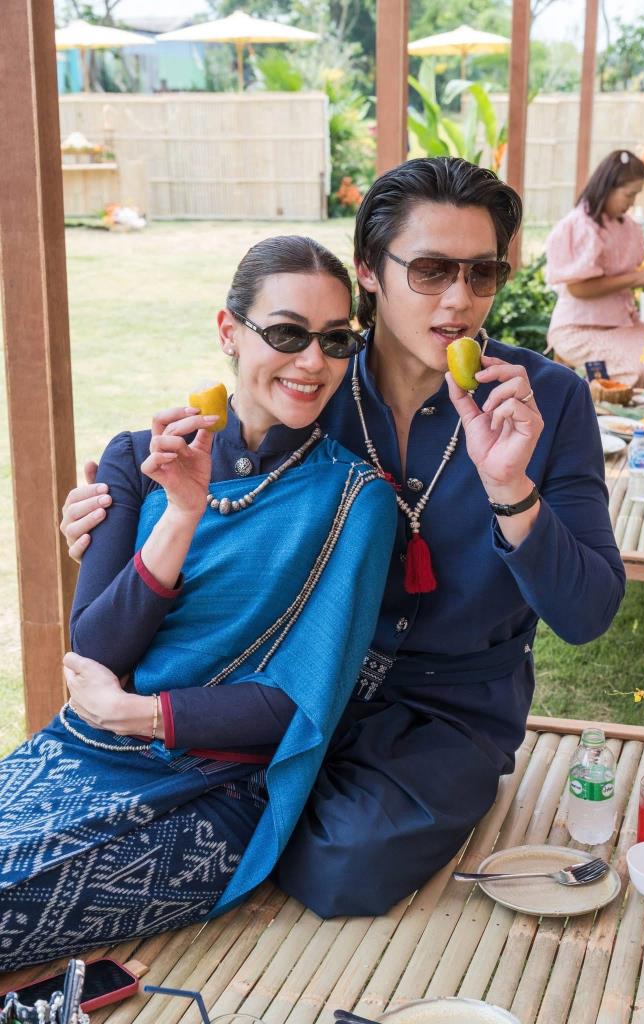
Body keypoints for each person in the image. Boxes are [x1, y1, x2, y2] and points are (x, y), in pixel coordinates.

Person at [61, 157, 626, 920]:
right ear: (368, 269)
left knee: (342, 864)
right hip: (284, 686)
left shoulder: (544, 401)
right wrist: (118, 519)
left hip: (448, 710)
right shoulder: (314, 381)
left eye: (482, 272)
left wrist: (509, 490)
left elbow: (587, 615)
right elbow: (214, 484)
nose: (459, 300)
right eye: (429, 270)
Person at [0, 236, 396, 969]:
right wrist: (181, 512)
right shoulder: (136, 459)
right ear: (228, 331)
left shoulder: (355, 501)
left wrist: (138, 713)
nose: (313, 361)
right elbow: (98, 650)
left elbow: (300, 703)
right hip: (83, 749)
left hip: (218, 788)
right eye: (287, 333)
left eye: (336, 340)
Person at [546, 149, 644, 386]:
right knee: (643, 370)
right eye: (629, 194)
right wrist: (637, 278)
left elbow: (628, 276)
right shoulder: (579, 226)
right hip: (579, 329)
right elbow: (577, 289)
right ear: (608, 187)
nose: (633, 202)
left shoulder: (628, 227)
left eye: (636, 195)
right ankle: (592, 399)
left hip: (622, 325)